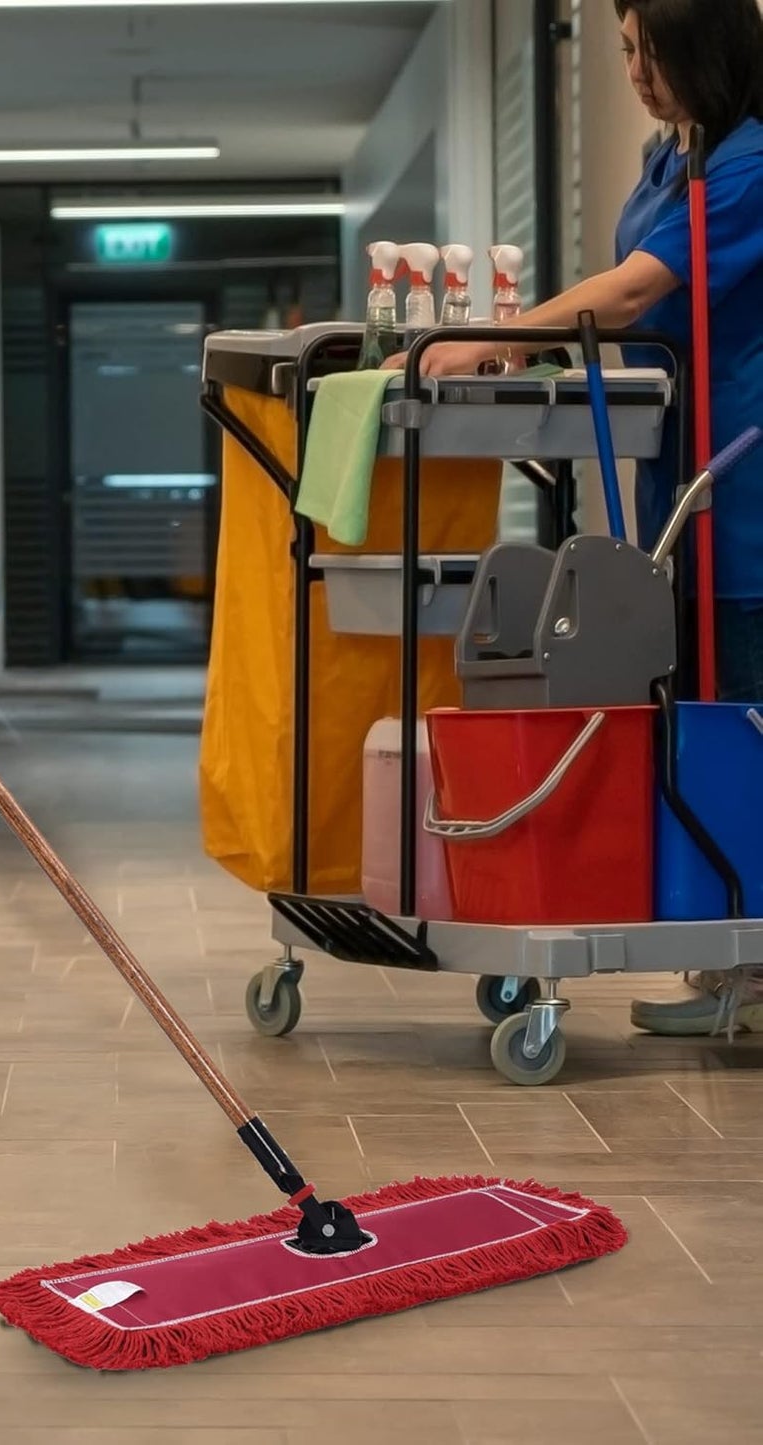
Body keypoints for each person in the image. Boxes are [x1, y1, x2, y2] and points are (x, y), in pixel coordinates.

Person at [389, 0, 763, 1040]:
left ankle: (751, 971)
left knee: (744, 722)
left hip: (746, 491)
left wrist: (498, 331)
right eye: (625, 53)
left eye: (650, 53)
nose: (636, 73)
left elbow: (642, 290)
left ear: (709, 51)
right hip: (677, 487)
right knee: (703, 725)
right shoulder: (669, 161)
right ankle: (730, 965)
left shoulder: (750, 165)